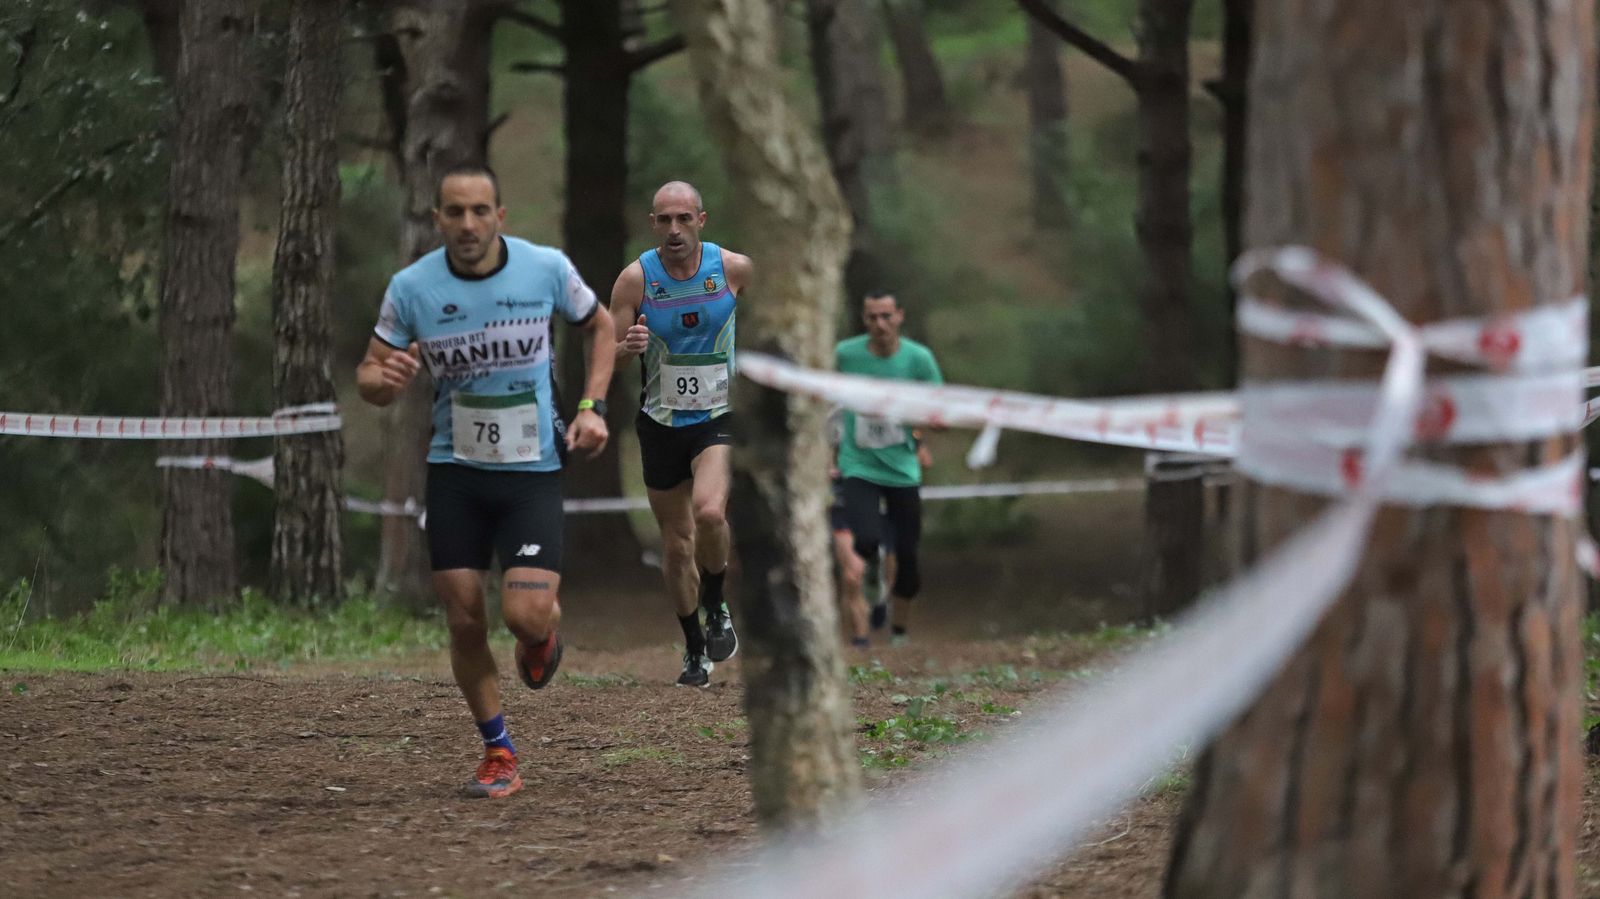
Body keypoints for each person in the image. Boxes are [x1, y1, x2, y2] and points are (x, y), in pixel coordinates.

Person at [356, 163, 615, 799]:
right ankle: (498, 750)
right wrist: (381, 382)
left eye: (479, 211)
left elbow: (601, 325)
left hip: (532, 471)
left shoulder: (545, 268)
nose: (467, 224)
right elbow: (368, 370)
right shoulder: (412, 288)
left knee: (523, 615)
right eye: (454, 212)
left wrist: (592, 406)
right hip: (455, 471)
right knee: (465, 618)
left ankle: (541, 634)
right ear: (437, 218)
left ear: (500, 216)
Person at [611, 181, 753, 687]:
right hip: (661, 422)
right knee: (676, 546)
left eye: (684, 219)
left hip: (717, 416)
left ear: (701, 219)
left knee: (711, 511)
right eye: (665, 220)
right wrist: (628, 345)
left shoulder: (733, 269)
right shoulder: (634, 281)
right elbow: (612, 353)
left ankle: (716, 604)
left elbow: (777, 314)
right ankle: (695, 647)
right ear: (654, 224)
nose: (674, 229)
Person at [834, 291, 942, 645]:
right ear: (864, 321)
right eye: (871, 318)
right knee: (865, 538)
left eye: (886, 316)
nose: (879, 324)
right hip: (858, 464)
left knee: (908, 556)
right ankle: (873, 571)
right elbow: (821, 398)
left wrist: (925, 429)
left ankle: (898, 631)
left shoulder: (919, 359)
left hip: (902, 469)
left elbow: (938, 408)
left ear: (900, 316)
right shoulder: (845, 355)